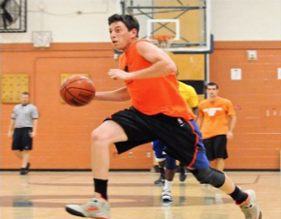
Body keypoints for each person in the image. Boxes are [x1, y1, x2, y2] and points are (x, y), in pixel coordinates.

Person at [65, 14, 262, 219]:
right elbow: (128, 92)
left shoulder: (141, 46)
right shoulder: (124, 58)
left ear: (132, 33)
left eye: (117, 30)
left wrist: (129, 75)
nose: (113, 35)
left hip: (172, 119)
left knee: (204, 174)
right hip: (142, 114)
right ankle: (100, 201)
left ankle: (244, 199)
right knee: (99, 136)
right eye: (110, 32)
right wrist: (95, 96)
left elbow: (169, 66)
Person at [153, 82, 199, 203]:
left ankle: (167, 190)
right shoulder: (156, 88)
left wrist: (194, 124)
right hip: (158, 126)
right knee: (158, 152)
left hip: (177, 127)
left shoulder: (187, 89)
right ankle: (163, 172)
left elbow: (195, 107)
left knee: (171, 156)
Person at [197, 82, 236, 172]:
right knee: (207, 157)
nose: (212, 91)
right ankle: (208, 176)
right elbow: (200, 118)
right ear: (206, 91)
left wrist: (230, 131)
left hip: (220, 133)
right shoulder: (202, 104)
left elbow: (233, 117)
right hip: (206, 134)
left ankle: (219, 176)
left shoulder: (225, 102)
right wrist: (197, 132)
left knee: (220, 156)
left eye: (214, 89)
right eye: (209, 89)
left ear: (217, 90)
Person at [8, 92, 38, 175]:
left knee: (26, 149)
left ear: (28, 98)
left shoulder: (32, 108)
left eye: (26, 97)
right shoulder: (16, 107)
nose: (24, 99)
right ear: (21, 98)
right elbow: (12, 120)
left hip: (27, 128)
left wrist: (34, 131)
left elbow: (35, 120)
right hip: (17, 129)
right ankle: (26, 162)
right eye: (23, 97)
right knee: (15, 149)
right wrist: (10, 131)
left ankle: (23, 167)